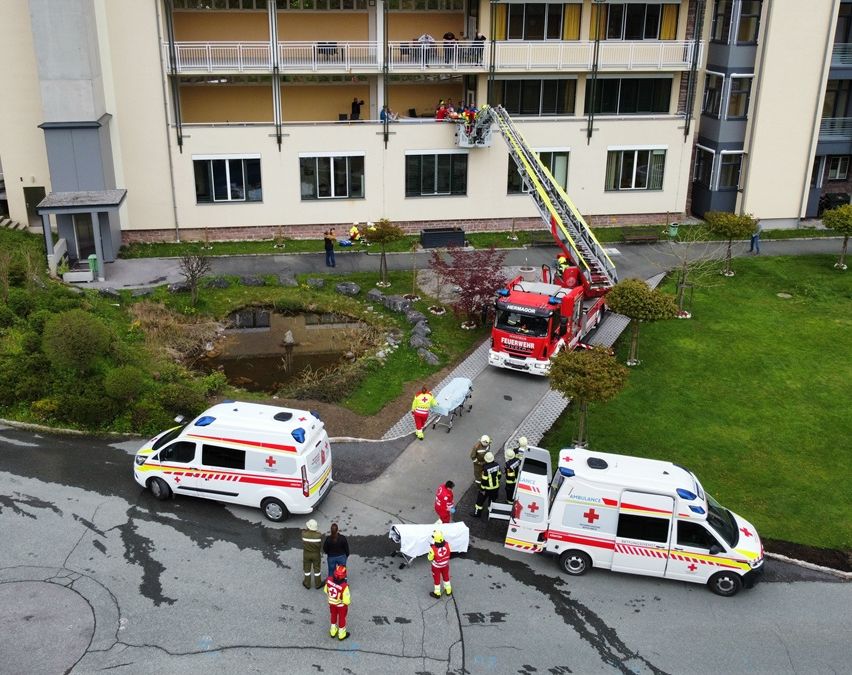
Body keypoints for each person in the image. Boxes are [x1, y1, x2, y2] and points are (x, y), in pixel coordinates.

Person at [324, 564, 352, 640]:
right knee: (342, 618)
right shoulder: (344, 586)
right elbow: (347, 601)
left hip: (332, 603)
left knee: (333, 615)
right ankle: (341, 634)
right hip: (341, 605)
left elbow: (326, 590)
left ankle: (333, 631)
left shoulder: (329, 580)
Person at [472, 451, 501, 518]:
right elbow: (499, 475)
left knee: (480, 501)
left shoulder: (486, 468)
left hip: (487, 489)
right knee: (491, 501)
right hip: (495, 487)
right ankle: (490, 513)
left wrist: (482, 489)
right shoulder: (497, 465)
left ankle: (477, 514)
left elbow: (484, 480)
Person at [428, 529, 452, 598]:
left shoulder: (433, 548)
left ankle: (437, 593)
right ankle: (448, 590)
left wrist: (431, 549)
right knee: (446, 577)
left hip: (436, 567)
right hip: (445, 565)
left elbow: (430, 558)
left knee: (437, 579)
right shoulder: (447, 544)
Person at [302, 518, 324, 589]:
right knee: (317, 569)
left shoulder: (304, 534)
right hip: (316, 554)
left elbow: (305, 531)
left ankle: (307, 583)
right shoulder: (319, 535)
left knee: (307, 570)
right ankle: (318, 584)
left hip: (306, 554)